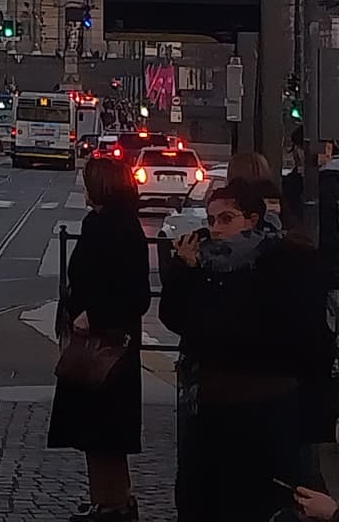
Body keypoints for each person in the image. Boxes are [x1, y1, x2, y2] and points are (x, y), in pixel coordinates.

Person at [160, 180, 333, 522]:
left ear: (252, 219)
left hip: (266, 410)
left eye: (226, 219)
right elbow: (179, 320)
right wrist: (183, 270)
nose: (216, 230)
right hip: (214, 409)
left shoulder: (287, 260)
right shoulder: (209, 264)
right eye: (211, 221)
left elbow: (301, 337)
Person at [47, 155, 151, 519]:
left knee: (106, 437)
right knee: (97, 437)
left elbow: (136, 294)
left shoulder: (119, 228)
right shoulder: (101, 223)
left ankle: (115, 505)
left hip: (108, 348)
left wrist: (94, 314)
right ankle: (104, 501)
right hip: (98, 346)